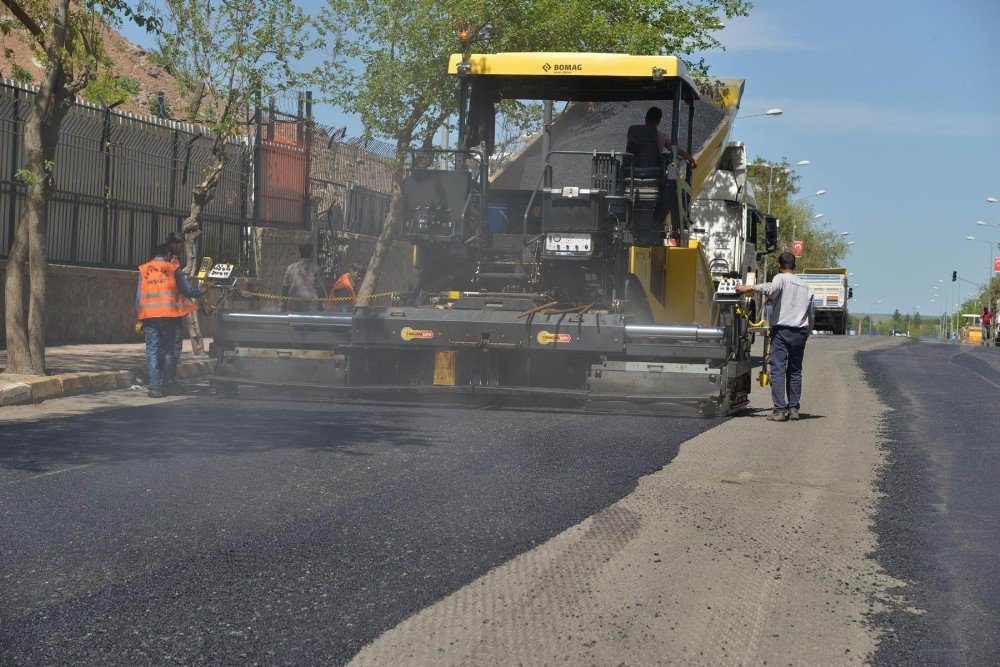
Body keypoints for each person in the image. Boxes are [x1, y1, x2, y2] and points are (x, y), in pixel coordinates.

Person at [736, 251, 815, 422]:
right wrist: (806, 333)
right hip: (800, 333)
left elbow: (770, 289)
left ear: (780, 265)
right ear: (794, 266)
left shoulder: (780, 278)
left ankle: (779, 411)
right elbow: (811, 315)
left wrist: (748, 288)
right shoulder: (806, 287)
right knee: (795, 370)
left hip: (782, 331)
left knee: (778, 369)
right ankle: (793, 409)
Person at [136, 243, 205, 398]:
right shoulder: (173, 270)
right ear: (168, 255)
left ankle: (154, 387)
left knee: (152, 351)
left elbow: (138, 297)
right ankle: (168, 383)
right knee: (170, 350)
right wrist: (202, 292)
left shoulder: (144, 269)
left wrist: (139, 318)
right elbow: (187, 290)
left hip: (149, 316)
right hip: (170, 316)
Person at [281, 242, 323, 312]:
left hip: (293, 308)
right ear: (311, 254)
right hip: (311, 309)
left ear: (300, 254)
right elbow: (321, 289)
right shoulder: (316, 269)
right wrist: (325, 304)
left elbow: (284, 288)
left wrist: (282, 304)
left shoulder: (290, 268)